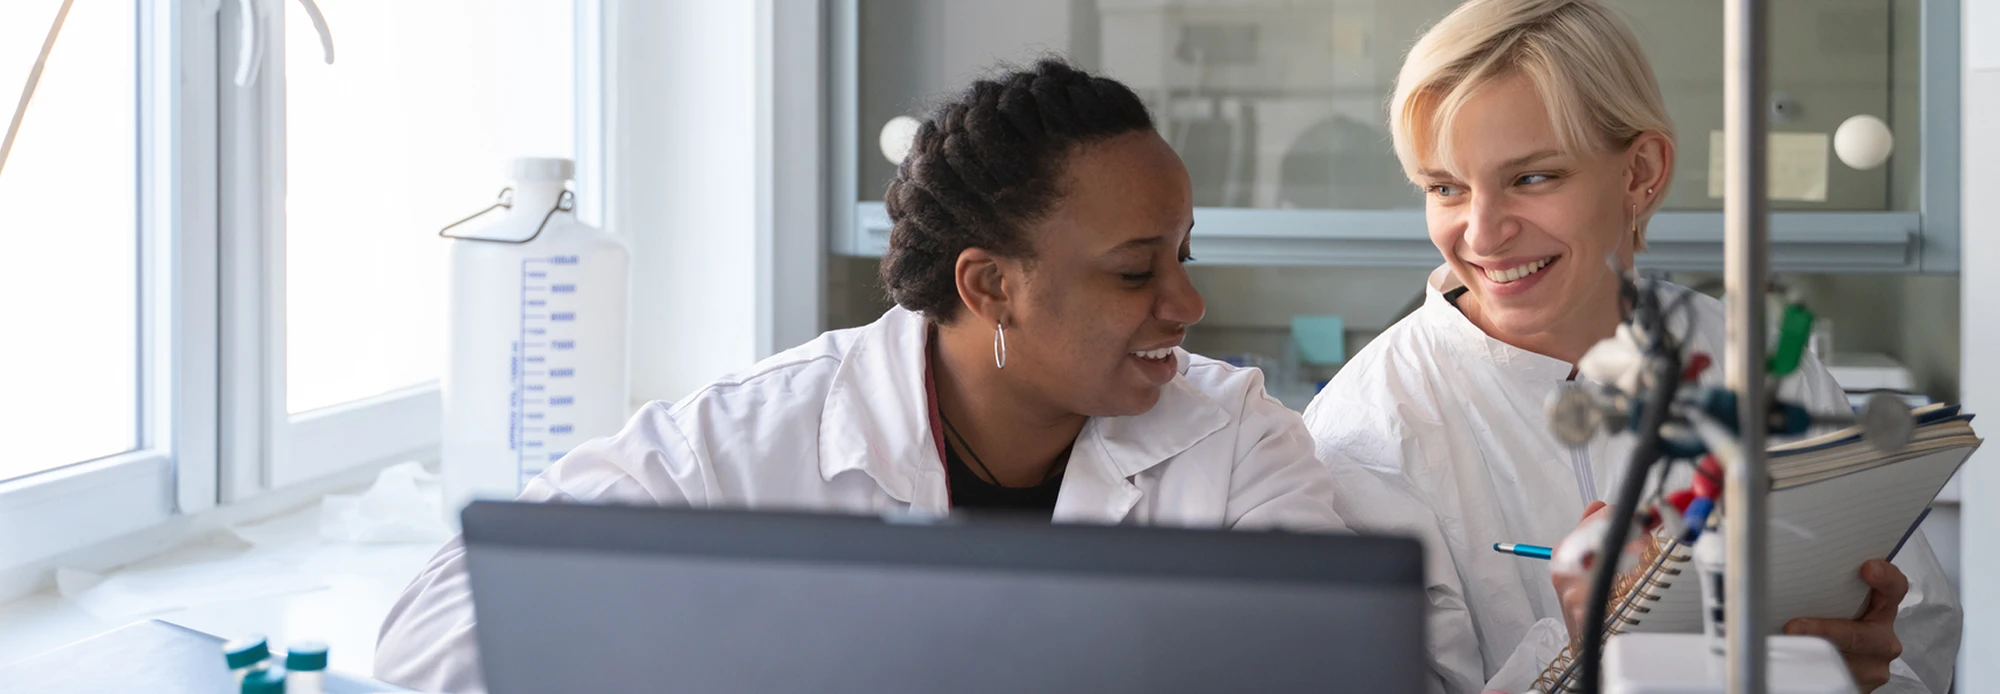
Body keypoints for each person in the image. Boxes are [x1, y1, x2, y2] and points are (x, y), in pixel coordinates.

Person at [374, 59, 1358, 694]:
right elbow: (437, 630)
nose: (1186, 302)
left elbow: (1335, 666)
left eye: (1184, 254)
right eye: (1136, 271)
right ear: (990, 285)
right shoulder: (755, 436)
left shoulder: (1236, 439)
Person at [1302, 1, 1962, 692]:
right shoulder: (1367, 431)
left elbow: (1920, 634)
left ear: (1641, 171)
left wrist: (1860, 673)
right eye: (1445, 187)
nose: (1484, 234)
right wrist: (1586, 653)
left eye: (1532, 178)